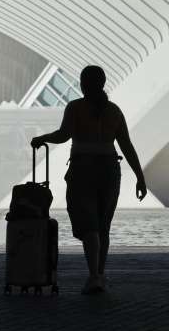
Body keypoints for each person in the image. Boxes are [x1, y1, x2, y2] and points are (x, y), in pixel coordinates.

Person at [31, 65, 147, 295]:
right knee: (103, 225)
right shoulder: (114, 111)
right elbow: (126, 145)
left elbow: (63, 135)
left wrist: (41, 138)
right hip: (110, 171)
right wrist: (140, 177)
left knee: (89, 223)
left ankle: (93, 274)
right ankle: (100, 275)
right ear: (102, 83)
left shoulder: (76, 108)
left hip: (83, 170)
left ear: (83, 84)